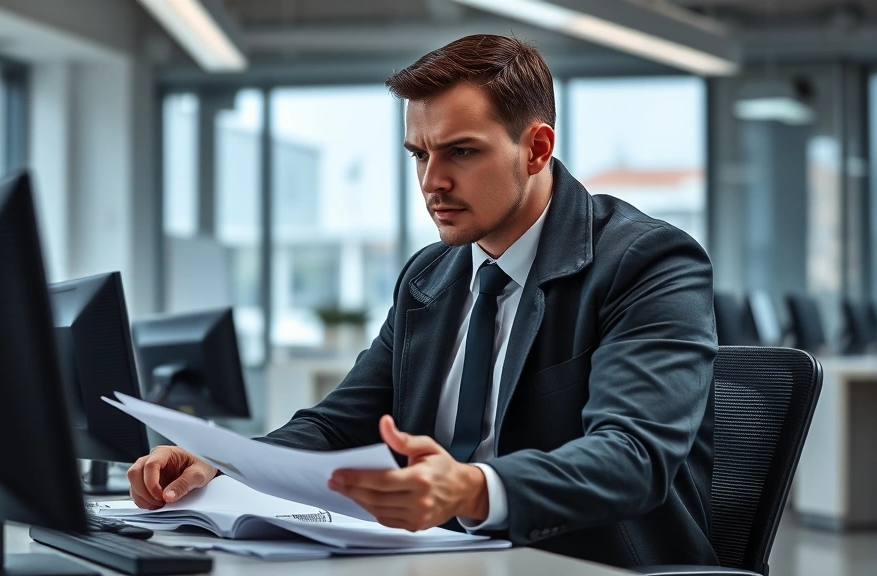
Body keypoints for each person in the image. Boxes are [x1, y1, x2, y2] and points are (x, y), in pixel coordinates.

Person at [127, 34, 718, 569]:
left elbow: (632, 456)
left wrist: (473, 488)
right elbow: (339, 424)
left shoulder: (646, 262)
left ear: (536, 149)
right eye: (419, 153)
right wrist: (222, 463)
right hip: (443, 558)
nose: (432, 181)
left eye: (461, 151)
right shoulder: (430, 276)